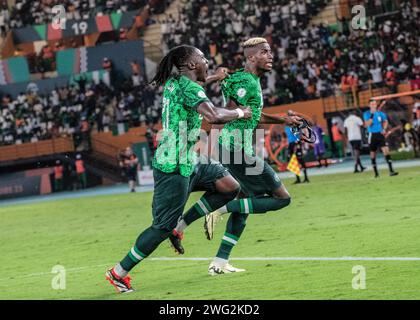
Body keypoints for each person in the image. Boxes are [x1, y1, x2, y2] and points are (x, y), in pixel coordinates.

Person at [105, 45, 253, 293]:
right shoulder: (190, 87)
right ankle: (118, 273)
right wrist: (241, 111)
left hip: (189, 160)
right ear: (193, 65)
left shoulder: (176, 81)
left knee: (230, 187)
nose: (207, 61)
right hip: (172, 165)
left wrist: (215, 76)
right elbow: (214, 115)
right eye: (203, 59)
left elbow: (194, 88)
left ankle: (180, 226)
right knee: (160, 227)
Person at [171, 38, 303, 275]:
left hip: (231, 148)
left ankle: (217, 261)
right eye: (265, 52)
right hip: (235, 149)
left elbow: (251, 115)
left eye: (270, 51)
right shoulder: (244, 81)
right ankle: (220, 209)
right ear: (251, 57)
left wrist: (283, 119)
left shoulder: (248, 80)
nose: (270, 56)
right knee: (282, 198)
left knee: (244, 206)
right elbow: (232, 111)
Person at [363, 100, 398, 178]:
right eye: (372, 104)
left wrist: (384, 129)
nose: (373, 105)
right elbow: (368, 124)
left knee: (386, 151)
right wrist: (372, 115)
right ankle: (376, 173)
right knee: (373, 154)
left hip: (380, 134)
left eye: (374, 104)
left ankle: (391, 170)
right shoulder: (366, 114)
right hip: (372, 135)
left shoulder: (380, 114)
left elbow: (385, 121)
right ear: (369, 105)